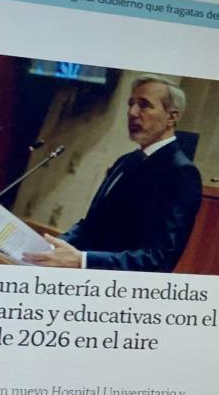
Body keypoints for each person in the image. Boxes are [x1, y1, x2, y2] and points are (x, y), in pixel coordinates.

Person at [26, 75, 201, 273]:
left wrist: (83, 260)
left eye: (144, 105)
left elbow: (160, 258)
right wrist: (53, 248)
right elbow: (92, 224)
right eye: (131, 104)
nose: (132, 112)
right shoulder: (126, 161)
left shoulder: (181, 173)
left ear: (172, 117)